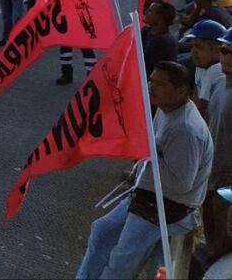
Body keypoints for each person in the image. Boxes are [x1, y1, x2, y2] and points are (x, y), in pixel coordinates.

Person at [76, 62, 213, 280]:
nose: (151, 87)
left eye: (160, 84)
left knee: (120, 262)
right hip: (147, 195)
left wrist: (144, 154)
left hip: (167, 207)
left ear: (181, 91)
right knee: (102, 232)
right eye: (151, 81)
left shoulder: (185, 130)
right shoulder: (166, 108)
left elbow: (180, 183)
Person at [202, 29, 232, 273]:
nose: (227, 57)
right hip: (211, 171)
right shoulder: (218, 84)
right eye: (225, 50)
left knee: (225, 232)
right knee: (211, 225)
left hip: (229, 177)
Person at [185, 20, 227, 117]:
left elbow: (201, 106)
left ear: (217, 50)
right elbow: (195, 97)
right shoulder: (202, 66)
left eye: (199, 47)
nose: (193, 51)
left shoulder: (216, 69)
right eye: (192, 46)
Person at [141, 1, 178, 77]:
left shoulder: (165, 42)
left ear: (160, 17)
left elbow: (148, 68)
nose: (146, 12)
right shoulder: (146, 31)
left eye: (150, 11)